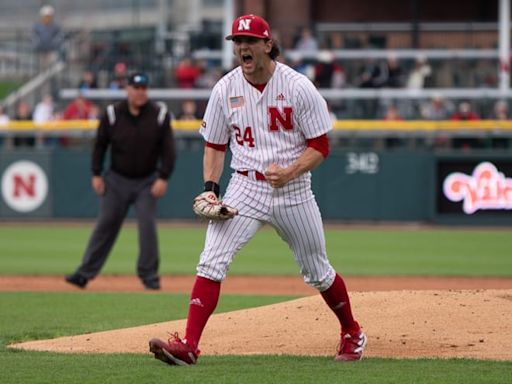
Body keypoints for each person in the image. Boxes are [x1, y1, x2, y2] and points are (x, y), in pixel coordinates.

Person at [148, 14, 367, 366]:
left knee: (317, 270)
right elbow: (215, 145)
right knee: (211, 261)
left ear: (268, 44)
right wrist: (210, 189)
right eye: (237, 41)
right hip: (245, 187)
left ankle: (352, 331)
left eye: (249, 40)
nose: (242, 47)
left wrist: (292, 169)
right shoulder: (225, 88)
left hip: (293, 189)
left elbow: (321, 145)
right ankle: (189, 345)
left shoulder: (297, 87)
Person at [65, 73, 176, 290]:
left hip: (147, 181)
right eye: (136, 88)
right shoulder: (113, 114)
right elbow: (99, 145)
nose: (140, 92)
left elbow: (169, 150)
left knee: (147, 227)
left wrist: (163, 177)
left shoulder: (159, 114)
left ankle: (149, 277)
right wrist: (96, 173)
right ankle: (84, 273)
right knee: (105, 225)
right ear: (128, 90)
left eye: (144, 88)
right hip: (117, 180)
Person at [32, 5, 63, 71]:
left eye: (49, 16)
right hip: (40, 51)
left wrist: (54, 44)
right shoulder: (37, 26)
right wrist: (38, 45)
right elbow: (34, 37)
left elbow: (59, 37)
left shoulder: (55, 26)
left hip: (52, 51)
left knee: (52, 67)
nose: (47, 18)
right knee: (41, 69)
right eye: (46, 16)